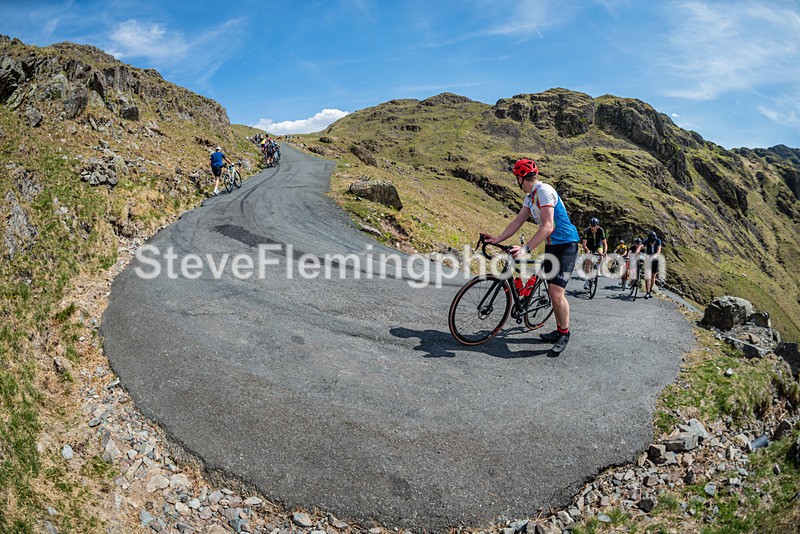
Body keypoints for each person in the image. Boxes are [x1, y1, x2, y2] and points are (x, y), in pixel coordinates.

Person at [483, 158, 580, 354]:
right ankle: (555, 325)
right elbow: (517, 221)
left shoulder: (544, 191)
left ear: (521, 178)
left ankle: (564, 333)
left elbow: (548, 226)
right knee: (547, 285)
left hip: (567, 245)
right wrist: (497, 238)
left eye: (516, 178)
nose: (515, 182)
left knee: (556, 293)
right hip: (553, 245)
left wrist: (525, 249)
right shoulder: (530, 197)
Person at [580, 217, 608, 290]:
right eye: (591, 226)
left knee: (601, 255)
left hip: (598, 246)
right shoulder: (587, 231)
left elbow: (605, 243)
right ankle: (586, 281)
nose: (593, 228)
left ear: (597, 226)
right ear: (590, 225)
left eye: (594, 226)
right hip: (589, 246)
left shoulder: (601, 230)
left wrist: (605, 252)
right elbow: (584, 244)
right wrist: (587, 250)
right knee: (588, 263)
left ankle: (597, 269)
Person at [641, 231, 663, 299]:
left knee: (653, 276)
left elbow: (659, 251)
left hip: (655, 260)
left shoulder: (658, 241)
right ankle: (647, 292)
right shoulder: (646, 241)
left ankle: (650, 290)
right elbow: (641, 246)